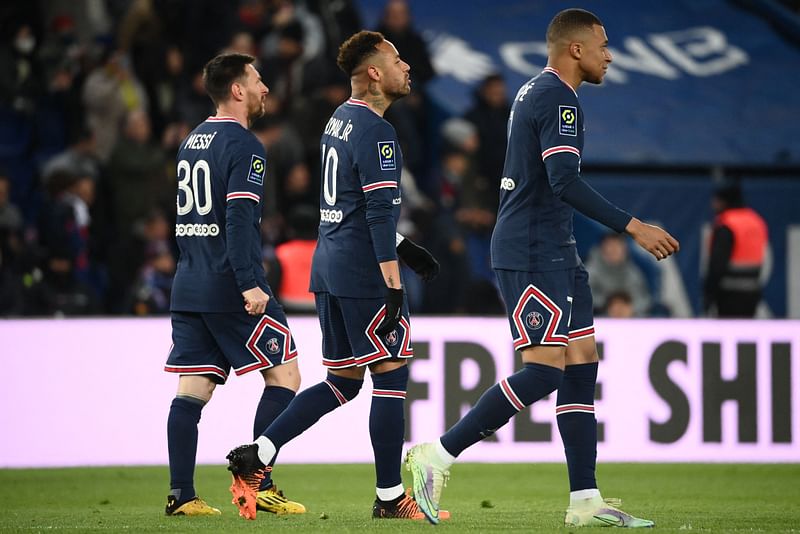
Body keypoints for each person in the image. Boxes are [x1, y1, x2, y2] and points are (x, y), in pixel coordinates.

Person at [405, 8, 679, 527]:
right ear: (575, 49)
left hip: (553, 246)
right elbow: (564, 181)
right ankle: (436, 454)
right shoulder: (558, 98)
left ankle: (585, 502)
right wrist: (632, 225)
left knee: (581, 364)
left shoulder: (537, 90)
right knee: (545, 371)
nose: (609, 55)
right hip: (532, 250)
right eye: (602, 46)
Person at [225, 30, 442, 521]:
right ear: (373, 73)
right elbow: (380, 216)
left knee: (343, 382)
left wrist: (406, 249)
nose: (406, 67)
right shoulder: (379, 132)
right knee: (391, 376)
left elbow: (350, 206)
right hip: (365, 274)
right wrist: (393, 281)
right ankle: (389, 498)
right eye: (396, 59)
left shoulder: (338, 120)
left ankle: (257, 454)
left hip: (330, 267)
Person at [164, 52, 305, 517]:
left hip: (189, 282)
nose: (266, 89)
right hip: (230, 284)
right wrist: (250, 282)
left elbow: (187, 218)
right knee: (285, 373)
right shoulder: (245, 145)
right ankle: (257, 480)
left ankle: (181, 495)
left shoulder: (191, 142)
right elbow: (240, 219)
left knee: (194, 389)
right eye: (258, 80)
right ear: (238, 90)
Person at [703, 182, 768, 317]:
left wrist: (709, 294)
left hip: (728, 294)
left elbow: (717, 264)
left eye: (716, 200)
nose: (713, 204)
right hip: (752, 292)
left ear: (724, 201)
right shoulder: (756, 221)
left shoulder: (727, 224)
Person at [585, 233, 652, 317]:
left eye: (618, 245)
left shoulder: (633, 272)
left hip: (630, 319)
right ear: (602, 248)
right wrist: (610, 306)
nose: (614, 249)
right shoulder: (590, 271)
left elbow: (643, 299)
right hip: (598, 318)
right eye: (610, 245)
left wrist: (629, 308)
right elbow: (583, 297)